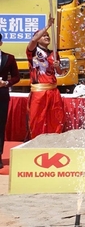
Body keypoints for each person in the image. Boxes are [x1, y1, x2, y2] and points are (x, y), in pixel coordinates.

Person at [26, 16, 65, 138]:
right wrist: (48, 26)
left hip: (53, 90)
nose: (47, 37)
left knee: (56, 117)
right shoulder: (32, 51)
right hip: (39, 91)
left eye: (48, 35)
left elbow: (60, 72)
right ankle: (35, 142)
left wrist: (58, 66)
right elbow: (33, 40)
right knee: (37, 118)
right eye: (44, 35)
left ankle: (55, 140)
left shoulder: (54, 53)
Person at [0, 33, 21, 165]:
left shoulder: (9, 58)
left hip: (2, 96)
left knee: (0, 126)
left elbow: (16, 77)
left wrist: (6, 83)